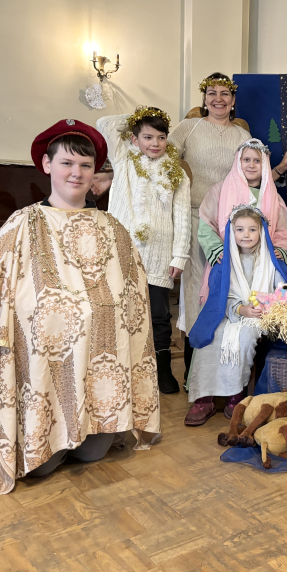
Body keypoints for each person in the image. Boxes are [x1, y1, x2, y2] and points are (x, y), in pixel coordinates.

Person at [0, 119, 161, 494]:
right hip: (44, 366)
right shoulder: (21, 225)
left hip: (98, 366)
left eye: (86, 165)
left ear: (95, 172)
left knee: (93, 453)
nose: (76, 172)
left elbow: (134, 302)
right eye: (67, 163)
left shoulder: (113, 228)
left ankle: (94, 425)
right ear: (47, 164)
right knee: (39, 469)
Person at [190, 138, 287, 419]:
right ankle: (203, 396)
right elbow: (206, 224)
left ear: (264, 164)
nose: (251, 165)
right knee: (212, 333)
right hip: (228, 265)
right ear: (237, 162)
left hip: (261, 268)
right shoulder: (220, 189)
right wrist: (220, 250)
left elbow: (285, 231)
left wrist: (277, 253)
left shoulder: (270, 193)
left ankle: (235, 393)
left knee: (243, 337)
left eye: (257, 161)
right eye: (246, 160)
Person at [96, 106, 191, 395]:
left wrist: (179, 256)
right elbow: (104, 122)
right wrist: (141, 118)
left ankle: (162, 369)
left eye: (161, 137)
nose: (155, 143)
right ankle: (123, 370)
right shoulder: (123, 160)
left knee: (159, 316)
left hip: (159, 256)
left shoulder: (177, 173)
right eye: (147, 137)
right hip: (122, 253)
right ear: (134, 139)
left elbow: (183, 218)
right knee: (121, 311)